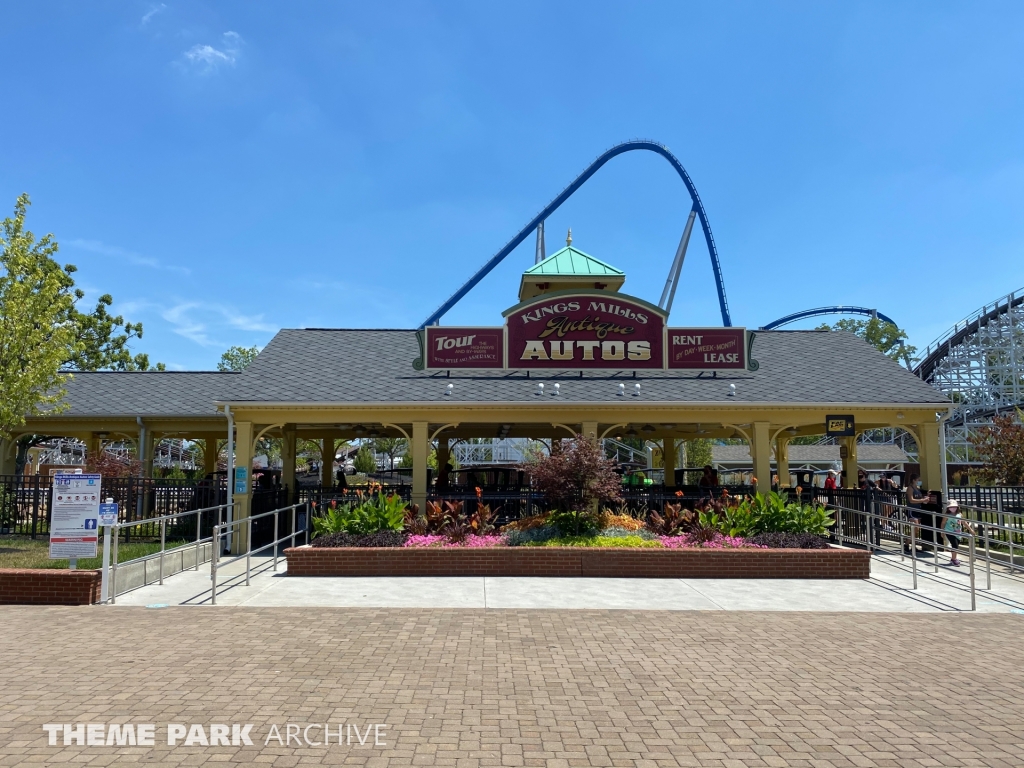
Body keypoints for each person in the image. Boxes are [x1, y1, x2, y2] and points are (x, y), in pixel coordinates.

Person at [942, 499, 973, 567]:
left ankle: (953, 558)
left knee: (956, 545)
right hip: (949, 531)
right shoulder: (947, 515)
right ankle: (954, 559)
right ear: (948, 508)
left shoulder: (959, 514)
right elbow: (943, 523)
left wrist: (970, 530)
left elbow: (964, 522)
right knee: (955, 545)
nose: (953, 508)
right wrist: (942, 531)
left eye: (954, 507)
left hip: (958, 532)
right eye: (951, 507)